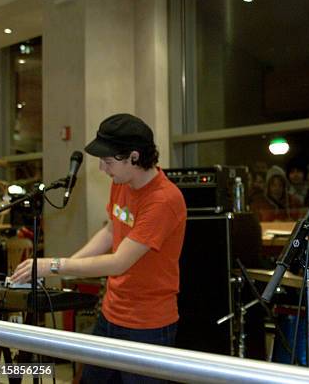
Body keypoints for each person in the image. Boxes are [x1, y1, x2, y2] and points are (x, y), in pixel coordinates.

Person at [12, 113, 187, 384]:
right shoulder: (122, 183)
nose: (103, 169)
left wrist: (54, 265)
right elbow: (109, 231)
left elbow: (118, 262)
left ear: (134, 156)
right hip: (111, 314)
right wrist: (68, 266)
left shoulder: (163, 200)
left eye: (107, 161)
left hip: (148, 325)